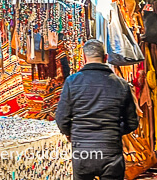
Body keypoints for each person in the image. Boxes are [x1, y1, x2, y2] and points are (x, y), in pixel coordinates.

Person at [55, 39, 139, 180]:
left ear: (83, 58)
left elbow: (62, 118)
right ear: (106, 58)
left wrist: (73, 133)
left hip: (82, 150)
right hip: (110, 148)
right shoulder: (121, 85)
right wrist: (115, 131)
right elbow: (132, 122)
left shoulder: (72, 82)